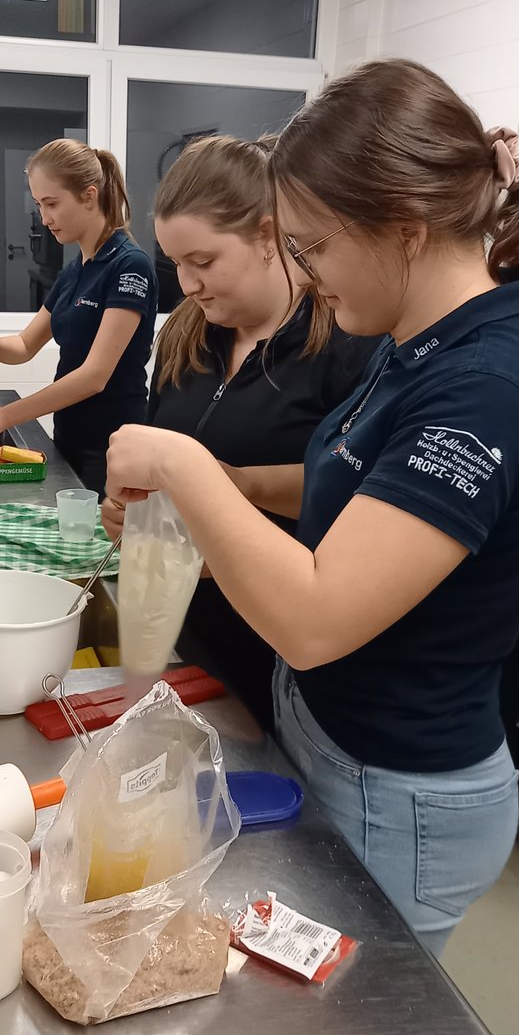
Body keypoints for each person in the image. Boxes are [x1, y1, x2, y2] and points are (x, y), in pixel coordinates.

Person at [104, 59, 519, 955]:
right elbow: (360, 494)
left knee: (354, 1024)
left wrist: (184, 464)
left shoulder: (486, 391)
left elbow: (317, 620)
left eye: (313, 247)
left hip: (399, 786)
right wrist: (237, 486)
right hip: (333, 737)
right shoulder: (414, 346)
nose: (305, 272)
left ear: (403, 229)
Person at [101, 135, 378, 730]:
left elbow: (354, 494)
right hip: (185, 639)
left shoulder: (346, 344)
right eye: (176, 264)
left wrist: (227, 490)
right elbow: (156, 459)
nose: (187, 284)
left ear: (268, 236)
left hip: (280, 655)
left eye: (203, 263)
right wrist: (131, 513)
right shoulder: (185, 333)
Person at [0, 140, 157, 498]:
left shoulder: (129, 265)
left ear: (89, 196)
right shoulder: (75, 269)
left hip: (113, 444)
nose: (44, 219)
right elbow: (25, 345)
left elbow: (94, 377)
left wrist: (3, 416)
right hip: (70, 434)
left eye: (52, 203)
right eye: (39, 205)